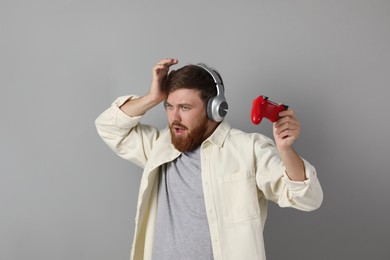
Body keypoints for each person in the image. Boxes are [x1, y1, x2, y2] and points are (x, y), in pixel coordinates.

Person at [95, 58, 323, 260]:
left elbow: (307, 198)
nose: (174, 117)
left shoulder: (247, 148)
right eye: (169, 106)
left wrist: (285, 149)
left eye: (185, 107)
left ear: (215, 109)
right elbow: (108, 127)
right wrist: (152, 97)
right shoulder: (160, 147)